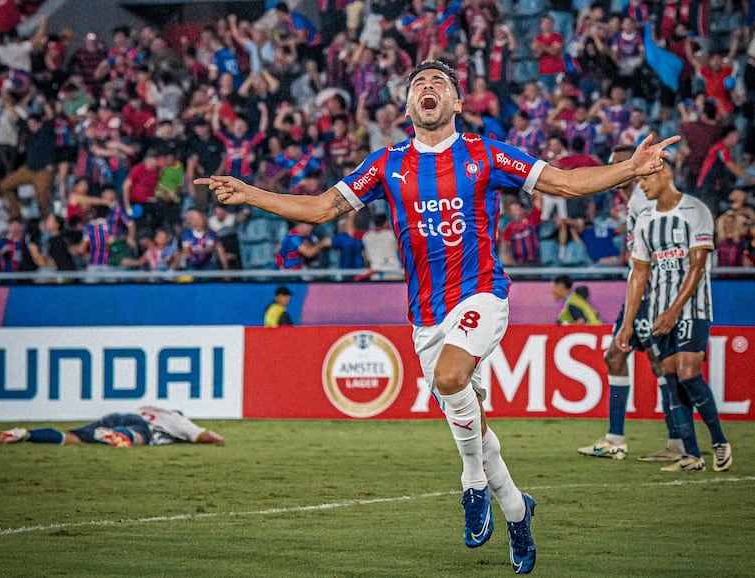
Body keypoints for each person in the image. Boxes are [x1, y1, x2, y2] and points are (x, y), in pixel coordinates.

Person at [197, 60, 678, 574]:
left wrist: (630, 168)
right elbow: (319, 210)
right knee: (469, 416)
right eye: (419, 84)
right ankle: (515, 509)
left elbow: (565, 183)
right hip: (426, 317)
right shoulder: (387, 164)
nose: (428, 88)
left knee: (452, 378)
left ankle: (474, 485)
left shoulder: (485, 153)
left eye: (439, 84)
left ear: (457, 103)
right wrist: (249, 193)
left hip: (482, 294)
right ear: (406, 106)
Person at [615, 161, 732, 473]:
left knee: (688, 372)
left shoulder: (696, 211)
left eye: (645, 178)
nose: (642, 185)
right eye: (638, 180)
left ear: (664, 173)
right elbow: (638, 274)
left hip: (693, 308)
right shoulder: (645, 221)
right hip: (658, 313)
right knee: (669, 376)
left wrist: (674, 310)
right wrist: (627, 324)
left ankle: (719, 441)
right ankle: (692, 455)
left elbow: (697, 267)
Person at [578, 145, 681, 462]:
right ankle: (616, 439)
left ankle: (678, 441)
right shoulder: (634, 198)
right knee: (615, 356)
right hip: (637, 287)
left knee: (657, 359)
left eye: (614, 165)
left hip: (648, 289)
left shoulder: (643, 197)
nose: (612, 171)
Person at [0, 406, 225, 448]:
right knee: (138, 437)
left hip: (118, 416)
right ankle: (116, 436)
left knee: (72, 437)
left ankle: (25, 434)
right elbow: (205, 436)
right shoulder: (177, 420)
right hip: (137, 426)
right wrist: (219, 440)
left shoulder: (151, 408)